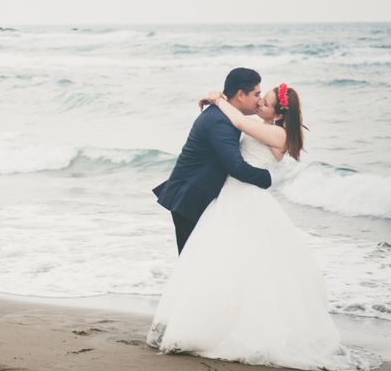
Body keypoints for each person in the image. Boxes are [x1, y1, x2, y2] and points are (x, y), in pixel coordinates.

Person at [146, 83, 382, 370]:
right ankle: (218, 321)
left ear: (279, 113)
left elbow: (239, 121)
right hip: (233, 196)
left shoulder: (276, 132)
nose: (260, 104)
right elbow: (241, 122)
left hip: (245, 197)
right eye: (259, 97)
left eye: (266, 102)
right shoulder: (271, 126)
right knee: (225, 263)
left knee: (238, 262)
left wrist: (218, 99)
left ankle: (231, 328)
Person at [152, 67, 272, 255]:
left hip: (196, 195)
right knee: (193, 263)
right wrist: (267, 178)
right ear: (241, 95)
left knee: (202, 262)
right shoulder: (220, 121)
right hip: (191, 200)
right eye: (257, 94)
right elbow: (236, 167)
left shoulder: (224, 114)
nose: (259, 100)